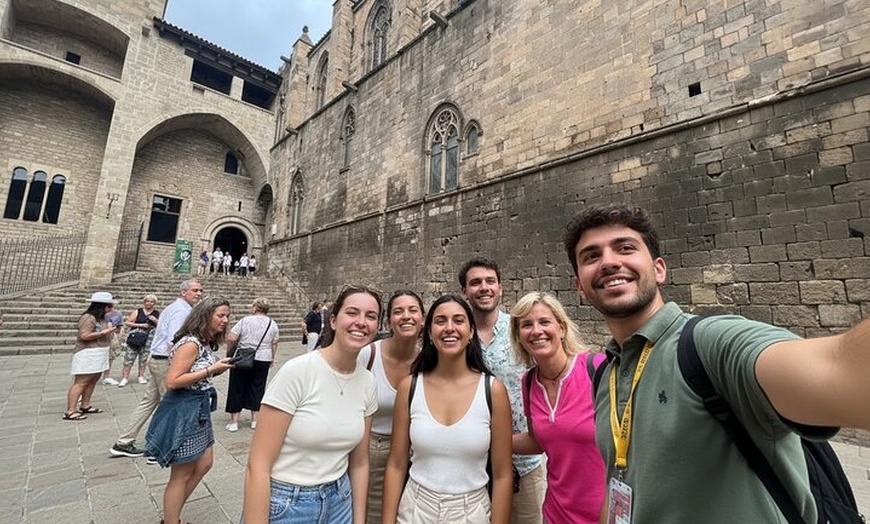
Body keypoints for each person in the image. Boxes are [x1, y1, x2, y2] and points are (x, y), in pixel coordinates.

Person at [562, 203, 870, 523]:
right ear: (580, 288)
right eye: (591, 256)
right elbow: (620, 481)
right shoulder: (605, 375)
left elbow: (840, 369)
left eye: (625, 248)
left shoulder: (711, 344)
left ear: (659, 269)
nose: (609, 262)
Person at [242, 286, 381, 523]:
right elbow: (258, 465)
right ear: (334, 321)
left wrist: (358, 520)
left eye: (371, 316)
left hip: (340, 501)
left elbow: (359, 462)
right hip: (287, 502)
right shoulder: (298, 371)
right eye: (352, 313)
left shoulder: (368, 382)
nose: (361, 322)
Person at [382, 294, 513, 524]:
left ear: (471, 331)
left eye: (459, 320)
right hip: (415, 509)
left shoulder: (493, 391)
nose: (449, 328)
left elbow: (502, 474)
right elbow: (396, 463)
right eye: (440, 321)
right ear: (430, 332)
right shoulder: (410, 387)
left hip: (472, 511)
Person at [458, 257, 545, 524]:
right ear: (464, 292)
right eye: (475, 283)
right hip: (469, 465)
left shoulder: (522, 329)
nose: (484, 288)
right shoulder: (455, 335)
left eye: (490, 281)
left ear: (500, 288)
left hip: (524, 463)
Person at [509, 292, 606, 524]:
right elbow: (538, 441)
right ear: (518, 336)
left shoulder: (598, 369)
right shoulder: (530, 382)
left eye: (544, 322)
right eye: (526, 325)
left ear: (561, 329)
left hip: (605, 514)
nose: (536, 331)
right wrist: (485, 438)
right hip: (556, 514)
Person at [145, 297, 234, 524]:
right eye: (220, 315)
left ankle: (171, 514)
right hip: (185, 408)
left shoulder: (202, 342)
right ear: (205, 316)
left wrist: (219, 368)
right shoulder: (190, 343)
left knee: (204, 463)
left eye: (227, 316)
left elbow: (200, 371)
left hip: (199, 407)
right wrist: (210, 369)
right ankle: (171, 520)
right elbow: (173, 381)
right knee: (181, 474)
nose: (225, 320)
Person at [109, 279, 204, 458]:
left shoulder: (177, 308)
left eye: (200, 290)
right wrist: (180, 365)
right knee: (171, 404)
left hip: (158, 359)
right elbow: (174, 340)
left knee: (149, 401)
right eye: (195, 290)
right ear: (183, 292)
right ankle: (158, 448)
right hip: (165, 362)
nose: (199, 293)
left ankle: (124, 441)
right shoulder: (180, 311)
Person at [355, 290, 424, 524]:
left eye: (413, 310)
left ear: (423, 318)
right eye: (398, 311)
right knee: (372, 511)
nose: (406, 316)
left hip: (416, 450)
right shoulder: (368, 355)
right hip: (373, 446)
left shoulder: (427, 360)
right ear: (388, 321)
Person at [224, 297, 280, 432]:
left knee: (237, 386)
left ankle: (234, 422)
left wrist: (230, 352)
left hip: (243, 356)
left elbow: (231, 337)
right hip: (263, 358)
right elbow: (274, 342)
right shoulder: (272, 323)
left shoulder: (245, 321)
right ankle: (255, 420)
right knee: (258, 387)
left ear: (255, 308)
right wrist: (272, 357)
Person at [65, 291, 120, 420]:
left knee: (93, 380)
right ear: (102, 306)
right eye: (110, 306)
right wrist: (106, 331)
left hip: (99, 351)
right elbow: (84, 335)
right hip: (88, 353)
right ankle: (71, 410)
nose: (112, 308)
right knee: (81, 382)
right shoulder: (88, 317)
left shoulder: (102, 319)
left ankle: (85, 405)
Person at [119, 294, 161, 387]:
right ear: (144, 302)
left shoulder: (156, 313)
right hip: (136, 336)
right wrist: (141, 325)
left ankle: (141, 376)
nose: (149, 303)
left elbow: (161, 325)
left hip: (149, 337)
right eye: (147, 301)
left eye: (151, 301)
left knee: (144, 357)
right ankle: (125, 377)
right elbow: (128, 322)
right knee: (129, 357)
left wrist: (155, 320)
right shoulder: (138, 311)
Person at [101, 303, 125, 385]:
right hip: (101, 334)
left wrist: (121, 331)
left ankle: (106, 376)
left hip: (112, 335)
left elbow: (120, 324)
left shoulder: (118, 313)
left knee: (111, 356)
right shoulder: (100, 313)